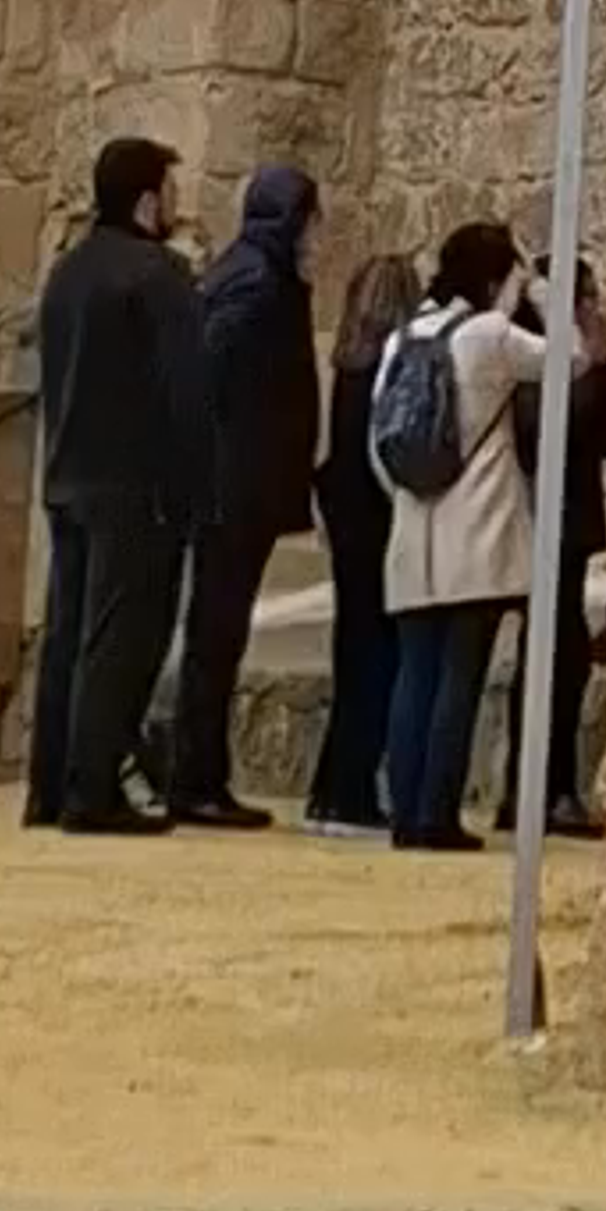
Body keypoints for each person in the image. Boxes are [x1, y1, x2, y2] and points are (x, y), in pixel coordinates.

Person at [25, 139, 203, 837]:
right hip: (135, 481)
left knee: (68, 632)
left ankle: (49, 783)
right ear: (148, 199)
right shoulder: (158, 275)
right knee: (118, 637)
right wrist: (196, 483)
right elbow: (185, 389)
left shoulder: (66, 273)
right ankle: (94, 787)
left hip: (68, 471)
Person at [378, 221, 543, 856]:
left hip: (413, 527)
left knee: (414, 675)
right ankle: (436, 813)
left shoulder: (403, 338)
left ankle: (403, 809)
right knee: (459, 677)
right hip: (476, 531)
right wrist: (540, 289)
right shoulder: (491, 336)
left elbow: (380, 438)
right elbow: (574, 357)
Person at [162, 160, 320, 827]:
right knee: (216, 632)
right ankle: (195, 777)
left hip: (240, 481)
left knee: (218, 634)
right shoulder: (257, 283)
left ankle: (202, 773)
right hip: (235, 485)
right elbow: (213, 371)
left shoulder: (255, 274)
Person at [306, 250, 411, 835]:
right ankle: (353, 792)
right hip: (376, 519)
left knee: (353, 652)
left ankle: (332, 787)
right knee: (378, 658)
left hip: (344, 514)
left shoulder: (347, 364)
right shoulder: (391, 369)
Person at [540, 259, 606, 839]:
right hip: (558, 520)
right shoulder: (556, 353)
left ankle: (545, 788)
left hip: (556, 521)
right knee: (557, 658)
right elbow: (585, 429)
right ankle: (550, 790)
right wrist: (600, 361)